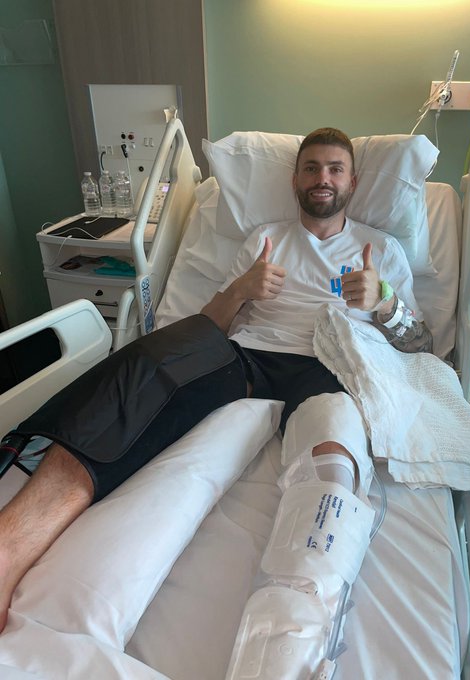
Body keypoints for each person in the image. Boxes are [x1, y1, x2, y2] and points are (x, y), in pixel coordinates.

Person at [0, 127, 432, 635]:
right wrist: (243, 289)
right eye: (311, 167)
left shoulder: (381, 250)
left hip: (331, 366)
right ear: (295, 179)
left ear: (353, 182)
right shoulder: (265, 239)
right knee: (146, 366)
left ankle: (297, 628)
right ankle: (10, 547)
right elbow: (213, 324)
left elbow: (421, 345)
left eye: (335, 169)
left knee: (332, 449)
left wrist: (383, 302)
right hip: (247, 359)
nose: (323, 178)